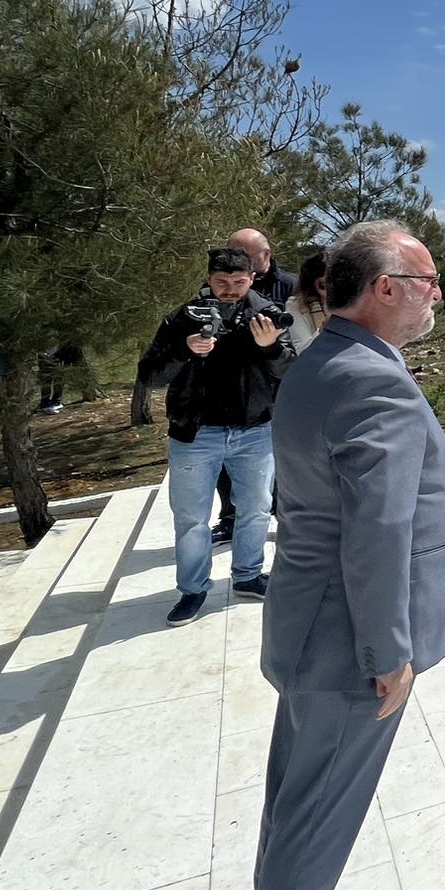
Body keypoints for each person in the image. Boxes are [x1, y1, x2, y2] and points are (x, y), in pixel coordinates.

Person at [246, 220, 445, 890]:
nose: (437, 295)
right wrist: (389, 652)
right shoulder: (372, 383)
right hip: (348, 645)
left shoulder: (326, 360)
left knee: (298, 800)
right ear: (383, 290)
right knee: (313, 815)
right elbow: (377, 530)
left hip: (309, 626)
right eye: (427, 281)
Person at [138, 247, 295, 625]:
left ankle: (247, 575)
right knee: (191, 518)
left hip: (255, 430)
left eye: (238, 282)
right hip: (196, 433)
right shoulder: (183, 318)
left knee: (256, 509)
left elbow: (291, 372)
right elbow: (151, 374)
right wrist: (184, 350)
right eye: (221, 282)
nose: (229, 289)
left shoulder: (266, 316)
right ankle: (192, 591)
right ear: (208, 278)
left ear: (252, 278)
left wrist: (270, 347)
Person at [215, 227, 296, 542]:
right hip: (233, 386)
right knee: (227, 457)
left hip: (281, 380)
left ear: (266, 254)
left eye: (244, 255)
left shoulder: (291, 286)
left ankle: (284, 512)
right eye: (232, 252)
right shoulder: (218, 287)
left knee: (281, 456)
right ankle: (230, 517)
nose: (237, 261)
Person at [288, 253, 330, 354]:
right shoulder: (296, 306)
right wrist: (325, 329)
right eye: (324, 285)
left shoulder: (356, 301)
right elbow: (302, 351)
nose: (332, 289)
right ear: (311, 285)